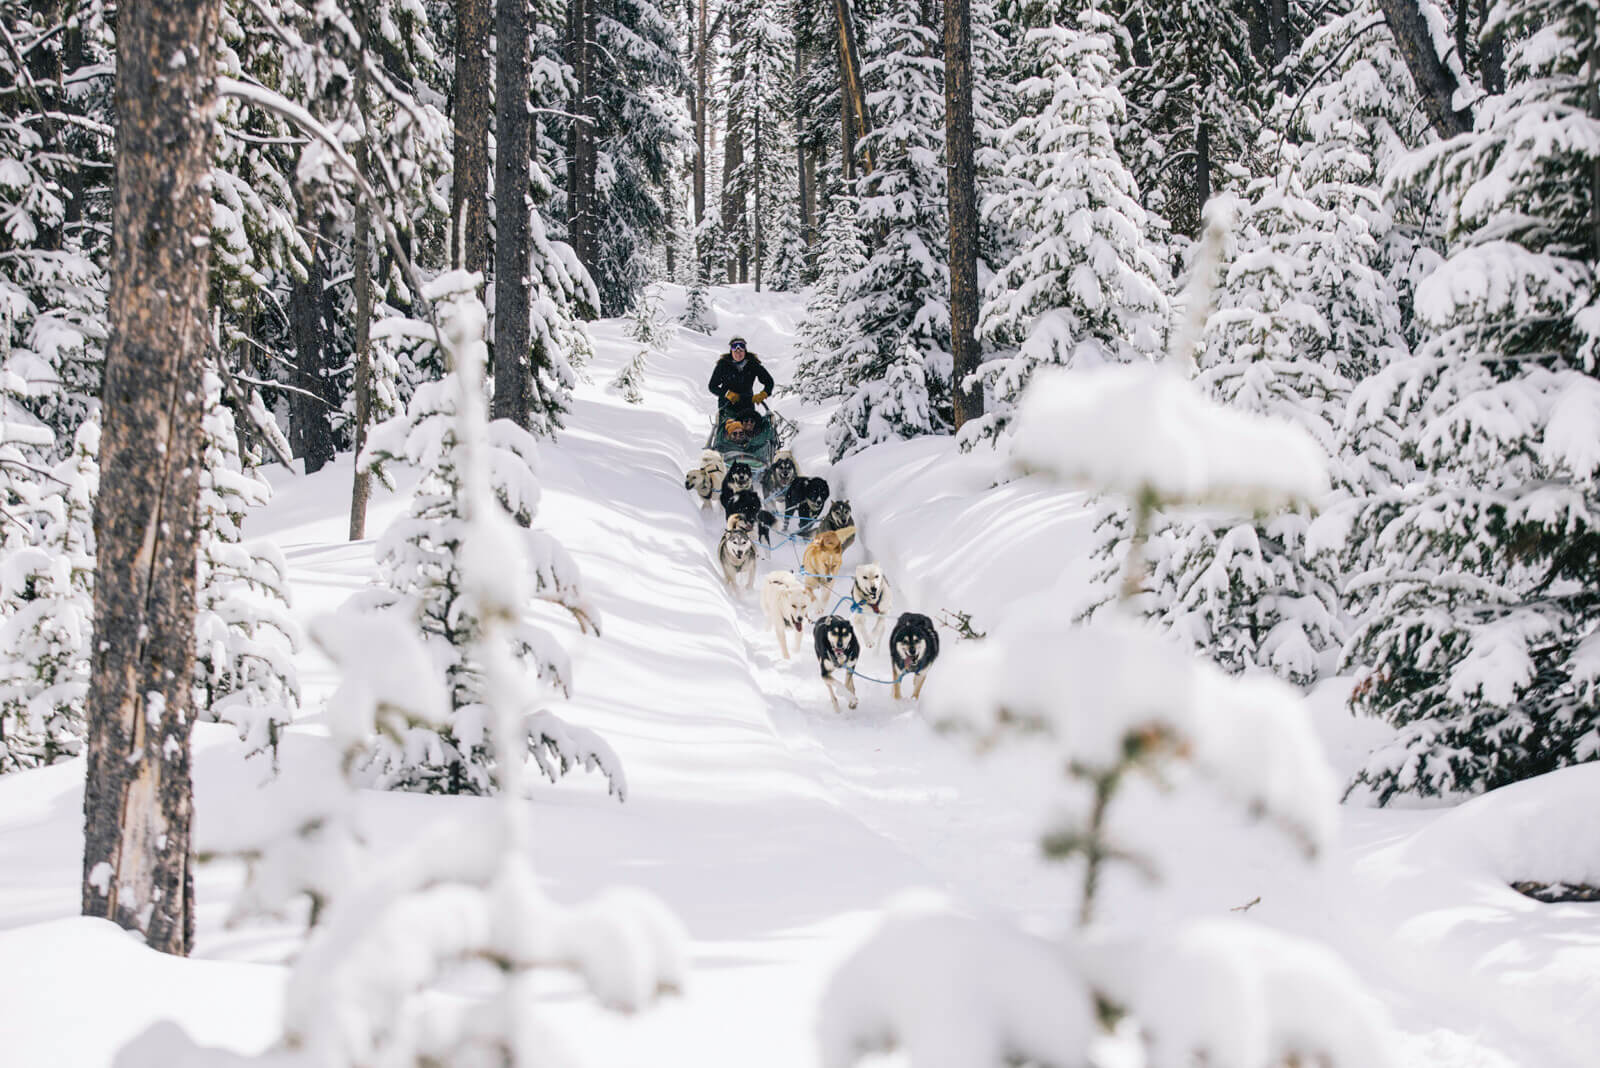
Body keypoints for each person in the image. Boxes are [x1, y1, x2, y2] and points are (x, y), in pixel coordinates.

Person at [708, 336, 775, 416]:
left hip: (747, 405)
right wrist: (727, 394)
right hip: (727, 406)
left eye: (741, 351)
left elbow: (769, 382)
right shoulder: (723, 365)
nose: (738, 354)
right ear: (731, 352)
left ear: (745, 351)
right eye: (735, 351)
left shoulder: (752, 364)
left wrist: (763, 394)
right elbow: (712, 386)